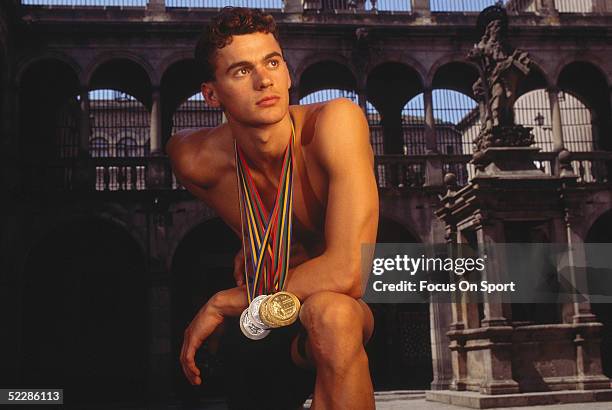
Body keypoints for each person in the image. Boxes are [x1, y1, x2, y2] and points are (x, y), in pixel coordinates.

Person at [166, 7, 378, 410]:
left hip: (333, 311)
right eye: (242, 71)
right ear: (211, 94)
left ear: (287, 70)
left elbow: (349, 271)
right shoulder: (193, 160)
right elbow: (261, 223)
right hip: (258, 327)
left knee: (332, 314)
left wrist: (227, 299)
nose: (265, 80)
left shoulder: (334, 124)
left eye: (273, 62)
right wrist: (252, 250)